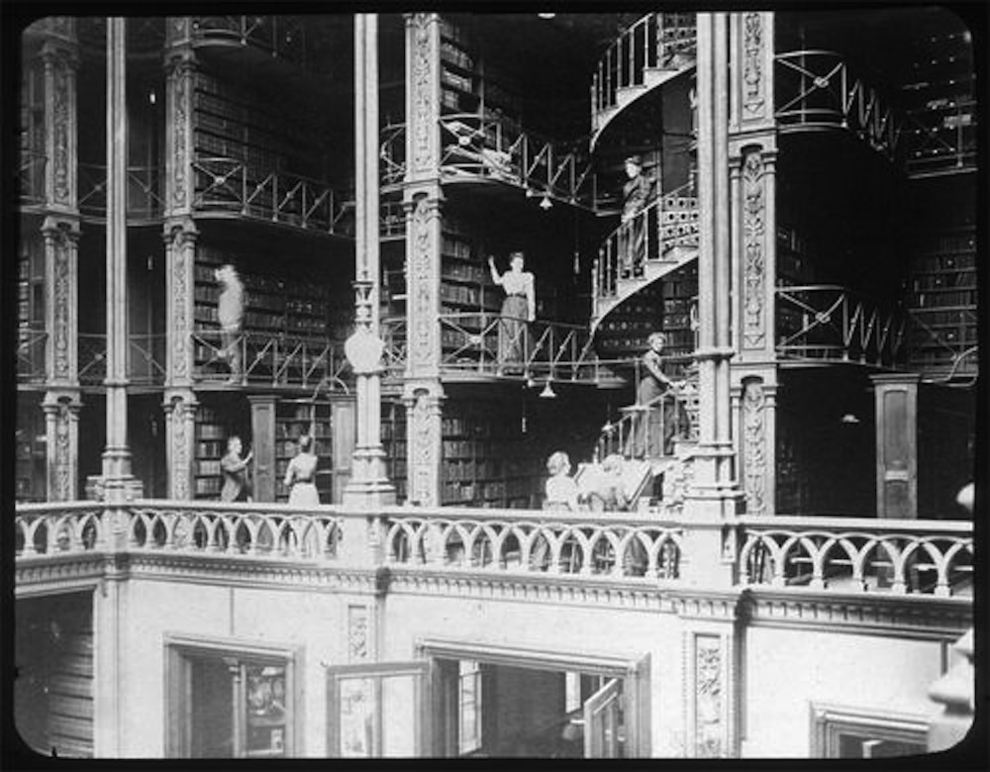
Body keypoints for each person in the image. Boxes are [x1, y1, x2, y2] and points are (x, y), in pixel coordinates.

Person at [628, 331, 687, 457]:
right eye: (658, 343)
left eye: (662, 343)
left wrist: (673, 382)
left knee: (671, 407)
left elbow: (661, 374)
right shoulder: (648, 356)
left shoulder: (661, 356)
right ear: (652, 344)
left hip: (659, 387)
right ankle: (643, 449)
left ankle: (663, 445)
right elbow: (656, 372)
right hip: (649, 387)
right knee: (650, 416)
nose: (660, 345)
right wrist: (671, 383)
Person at [489, 251, 535, 373]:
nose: (520, 264)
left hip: (521, 304)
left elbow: (531, 294)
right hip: (509, 303)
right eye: (517, 262)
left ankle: (521, 365)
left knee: (520, 332)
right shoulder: (508, 275)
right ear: (511, 263)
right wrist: (492, 267)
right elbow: (497, 281)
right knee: (508, 330)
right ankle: (506, 364)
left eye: (521, 262)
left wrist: (532, 312)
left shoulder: (527, 276)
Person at [620, 155, 655, 277]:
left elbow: (643, 197)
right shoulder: (629, 183)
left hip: (636, 213)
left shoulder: (642, 180)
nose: (627, 171)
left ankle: (635, 265)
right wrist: (625, 214)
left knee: (636, 239)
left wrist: (633, 212)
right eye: (627, 168)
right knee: (626, 239)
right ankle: (627, 265)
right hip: (627, 212)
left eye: (630, 168)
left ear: (638, 168)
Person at [216, 263, 245, 382]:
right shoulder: (225, 290)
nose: (219, 278)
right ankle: (232, 374)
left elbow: (238, 306)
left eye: (222, 274)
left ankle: (236, 376)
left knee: (233, 351)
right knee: (226, 351)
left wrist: (236, 321)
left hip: (232, 324)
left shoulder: (236, 287)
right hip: (225, 324)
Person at [283, 434, 321, 506]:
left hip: (298, 489)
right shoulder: (314, 460)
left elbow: (287, 482)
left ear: (299, 446)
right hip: (310, 489)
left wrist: (292, 483)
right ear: (310, 447)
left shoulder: (294, 461)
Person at [220, 435, 253, 502]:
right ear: (230, 447)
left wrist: (249, 495)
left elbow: (245, 480)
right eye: (237, 445)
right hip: (230, 496)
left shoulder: (239, 460)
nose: (240, 447)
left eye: (240, 444)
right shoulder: (225, 460)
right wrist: (247, 459)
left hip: (242, 496)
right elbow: (233, 469)